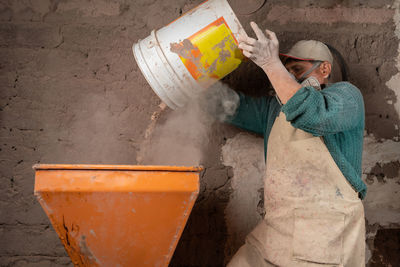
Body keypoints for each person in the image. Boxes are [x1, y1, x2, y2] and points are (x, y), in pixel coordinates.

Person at [224, 22, 366, 266]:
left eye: (297, 69)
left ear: (324, 69)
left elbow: (314, 114)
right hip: (277, 225)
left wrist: (271, 65)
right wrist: (188, 86)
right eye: (285, 69)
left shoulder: (346, 96)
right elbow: (230, 107)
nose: (288, 76)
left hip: (325, 230)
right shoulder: (274, 108)